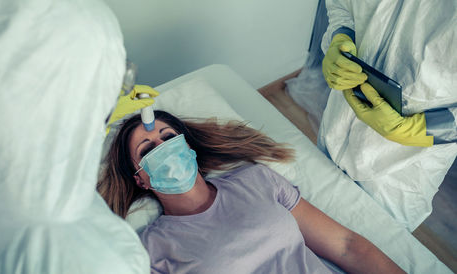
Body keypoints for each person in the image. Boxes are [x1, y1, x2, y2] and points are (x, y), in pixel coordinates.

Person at [97, 110, 404, 273]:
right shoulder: (150, 247)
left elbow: (348, 246)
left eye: (169, 137)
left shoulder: (256, 180)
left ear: (187, 146)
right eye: (148, 149)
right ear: (141, 179)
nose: (163, 149)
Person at [318, 0, 457, 230]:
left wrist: (421, 129)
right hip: (334, 132)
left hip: (399, 174)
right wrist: (340, 35)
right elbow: (341, 6)